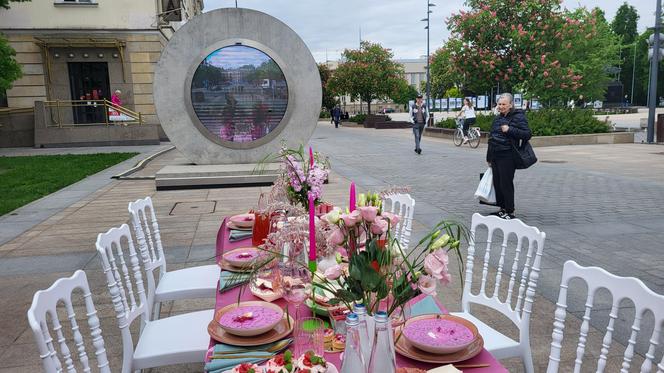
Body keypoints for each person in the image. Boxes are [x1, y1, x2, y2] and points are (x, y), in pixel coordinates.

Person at [486, 93, 532, 220]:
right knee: (497, 183)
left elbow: (527, 134)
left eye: (503, 104)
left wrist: (510, 130)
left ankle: (510, 211)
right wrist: (489, 157)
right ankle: (502, 208)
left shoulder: (518, 117)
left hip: (508, 155)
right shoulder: (497, 118)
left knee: (506, 183)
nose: (500, 107)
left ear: (510, 105)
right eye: (499, 104)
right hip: (496, 154)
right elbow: (491, 138)